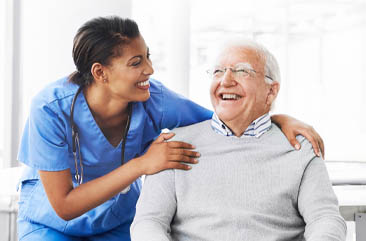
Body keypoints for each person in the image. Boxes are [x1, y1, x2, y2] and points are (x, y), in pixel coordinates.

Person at [17, 16, 324, 241]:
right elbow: (65, 206)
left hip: (117, 221)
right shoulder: (50, 109)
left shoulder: (156, 100)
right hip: (51, 225)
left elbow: (227, 117)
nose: (149, 69)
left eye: (148, 56)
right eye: (136, 62)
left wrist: (278, 118)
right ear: (101, 72)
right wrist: (143, 164)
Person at [131, 40, 346, 241]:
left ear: (271, 91)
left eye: (242, 71)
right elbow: (149, 222)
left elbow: (325, 219)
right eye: (218, 71)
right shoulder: (173, 145)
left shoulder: (300, 148)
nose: (226, 80)